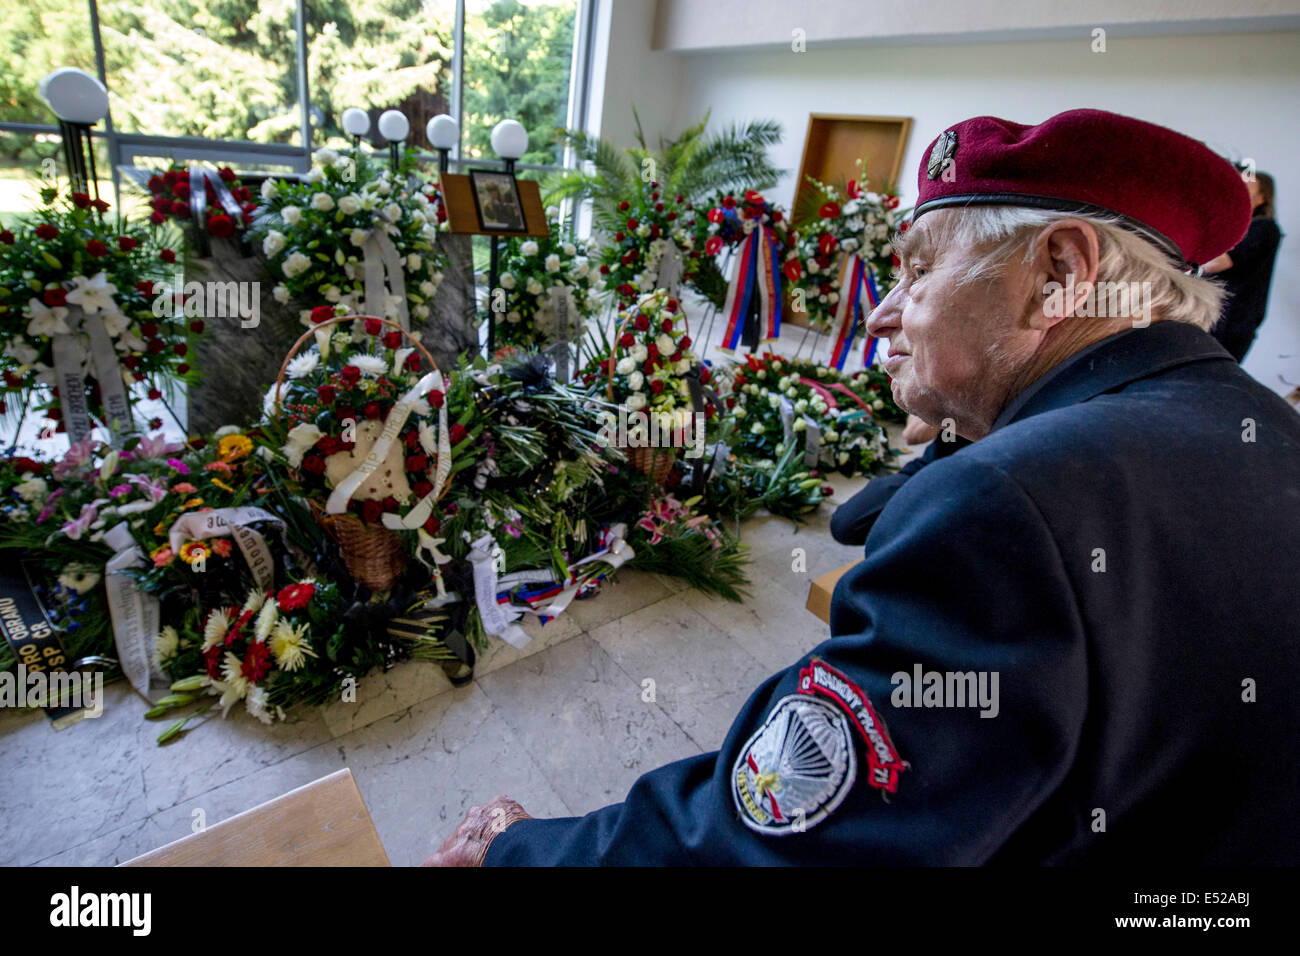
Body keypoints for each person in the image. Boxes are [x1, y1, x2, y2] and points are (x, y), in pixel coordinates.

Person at [426, 109, 1300, 866]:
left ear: (1061, 273)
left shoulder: (1011, 506)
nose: (883, 311)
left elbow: (774, 844)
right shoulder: (1254, 426)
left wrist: (513, 848)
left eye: (919, 272)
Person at [1204, 169, 1281, 362]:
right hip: (1213, 313)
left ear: (1262, 198)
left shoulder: (1264, 228)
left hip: (1233, 320)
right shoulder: (1234, 227)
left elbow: (1213, 264)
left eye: (1247, 185)